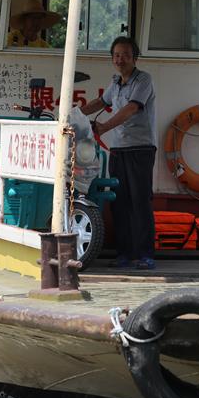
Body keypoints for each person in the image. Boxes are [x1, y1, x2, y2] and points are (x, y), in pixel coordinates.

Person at [80, 37, 157, 270]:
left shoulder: (143, 80)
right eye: (116, 55)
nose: (119, 59)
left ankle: (145, 254)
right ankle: (124, 254)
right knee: (119, 203)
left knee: (140, 201)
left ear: (135, 58)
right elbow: (99, 103)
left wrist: (104, 127)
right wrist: (72, 114)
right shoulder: (116, 83)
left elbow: (131, 109)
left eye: (124, 54)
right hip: (118, 150)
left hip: (140, 149)